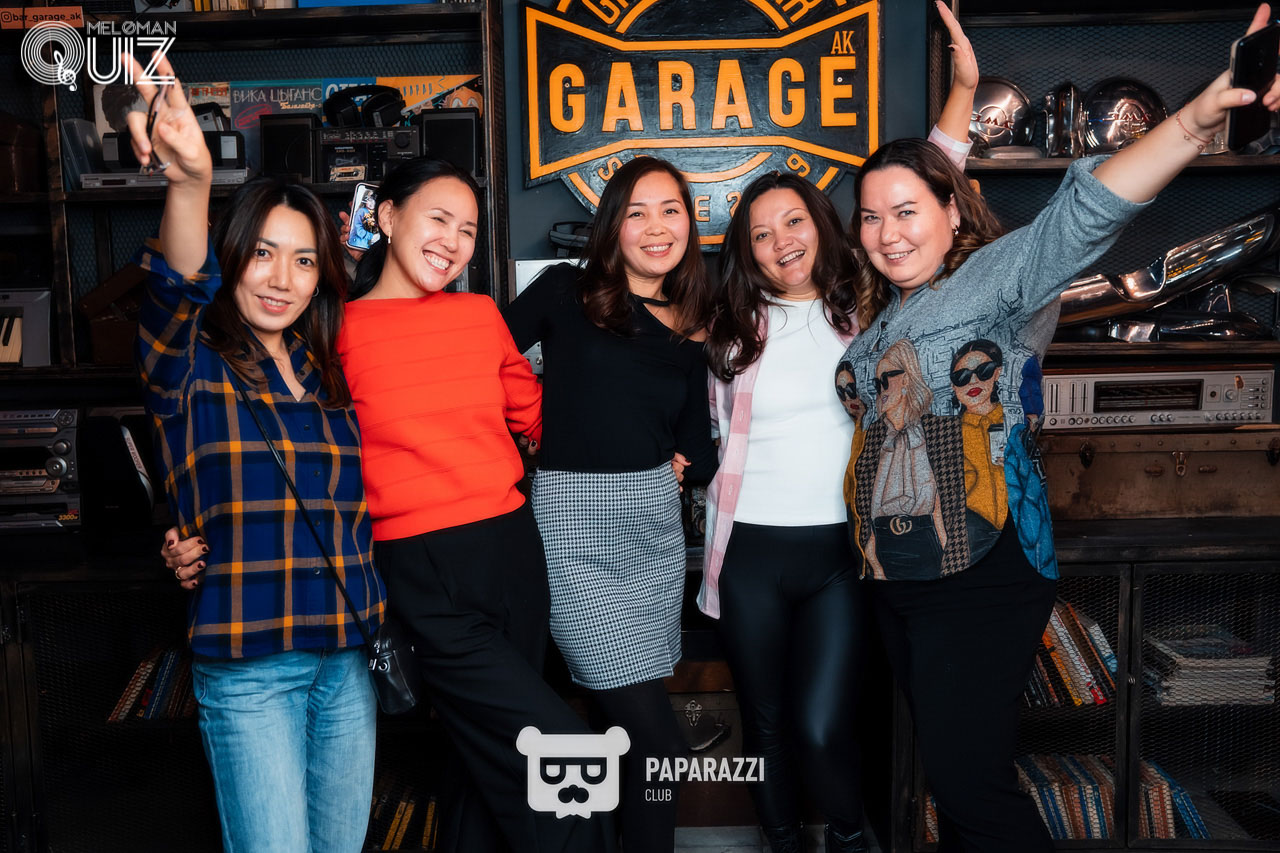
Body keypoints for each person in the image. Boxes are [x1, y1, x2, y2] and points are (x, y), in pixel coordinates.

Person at [838, 6, 1280, 851]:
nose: (887, 232)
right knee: (954, 779)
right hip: (901, 570)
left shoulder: (996, 276)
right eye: (870, 216)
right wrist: (962, 97)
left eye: (906, 212)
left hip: (978, 566)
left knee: (972, 788)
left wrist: (1195, 119)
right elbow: (930, 174)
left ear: (952, 211)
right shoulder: (888, 309)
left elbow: (1090, 209)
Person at [698, 8, 978, 851]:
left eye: (793, 222)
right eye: (760, 233)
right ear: (747, 251)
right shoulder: (728, 328)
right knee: (766, 726)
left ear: (822, 225)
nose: (780, 241)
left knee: (823, 725)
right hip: (747, 552)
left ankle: (851, 837)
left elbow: (925, 194)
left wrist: (964, 91)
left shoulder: (868, 304)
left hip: (840, 551)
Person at [128, 55, 385, 853]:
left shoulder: (326, 370)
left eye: (304, 259)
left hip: (347, 660)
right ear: (235, 253)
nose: (283, 278)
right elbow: (178, 286)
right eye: (265, 253)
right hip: (251, 664)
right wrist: (192, 181)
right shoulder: (191, 361)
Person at [502, 155, 719, 853]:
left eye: (670, 210)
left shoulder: (694, 324)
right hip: (572, 530)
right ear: (612, 226)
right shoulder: (565, 291)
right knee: (656, 745)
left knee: (630, 738)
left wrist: (688, 462)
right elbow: (481, 364)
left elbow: (696, 445)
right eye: (637, 212)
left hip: (651, 532)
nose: (656, 227)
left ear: (690, 223)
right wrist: (527, 429)